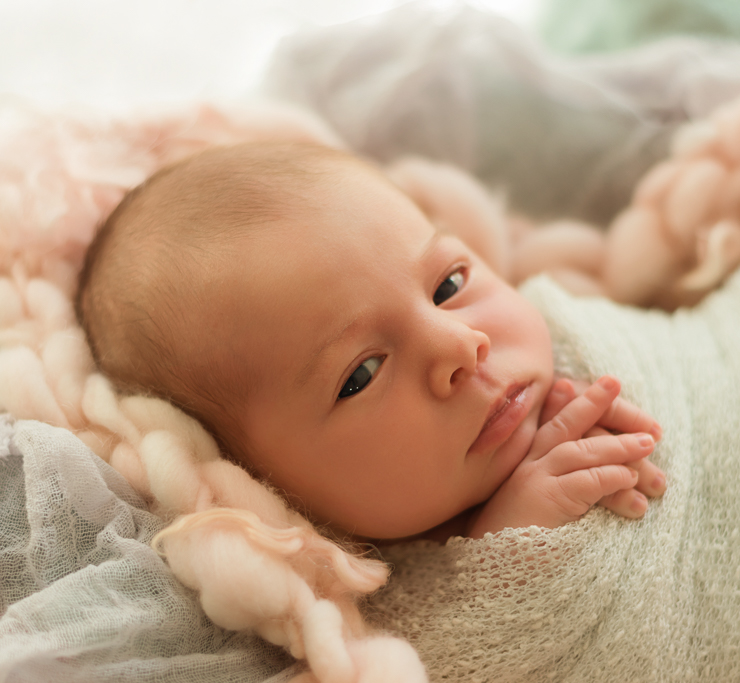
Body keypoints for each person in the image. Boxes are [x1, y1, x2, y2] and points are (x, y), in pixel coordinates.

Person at [77, 139, 667, 542]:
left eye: (448, 284)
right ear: (263, 487)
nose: (460, 346)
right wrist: (514, 553)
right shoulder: (368, 605)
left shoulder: (568, 305)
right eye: (361, 375)